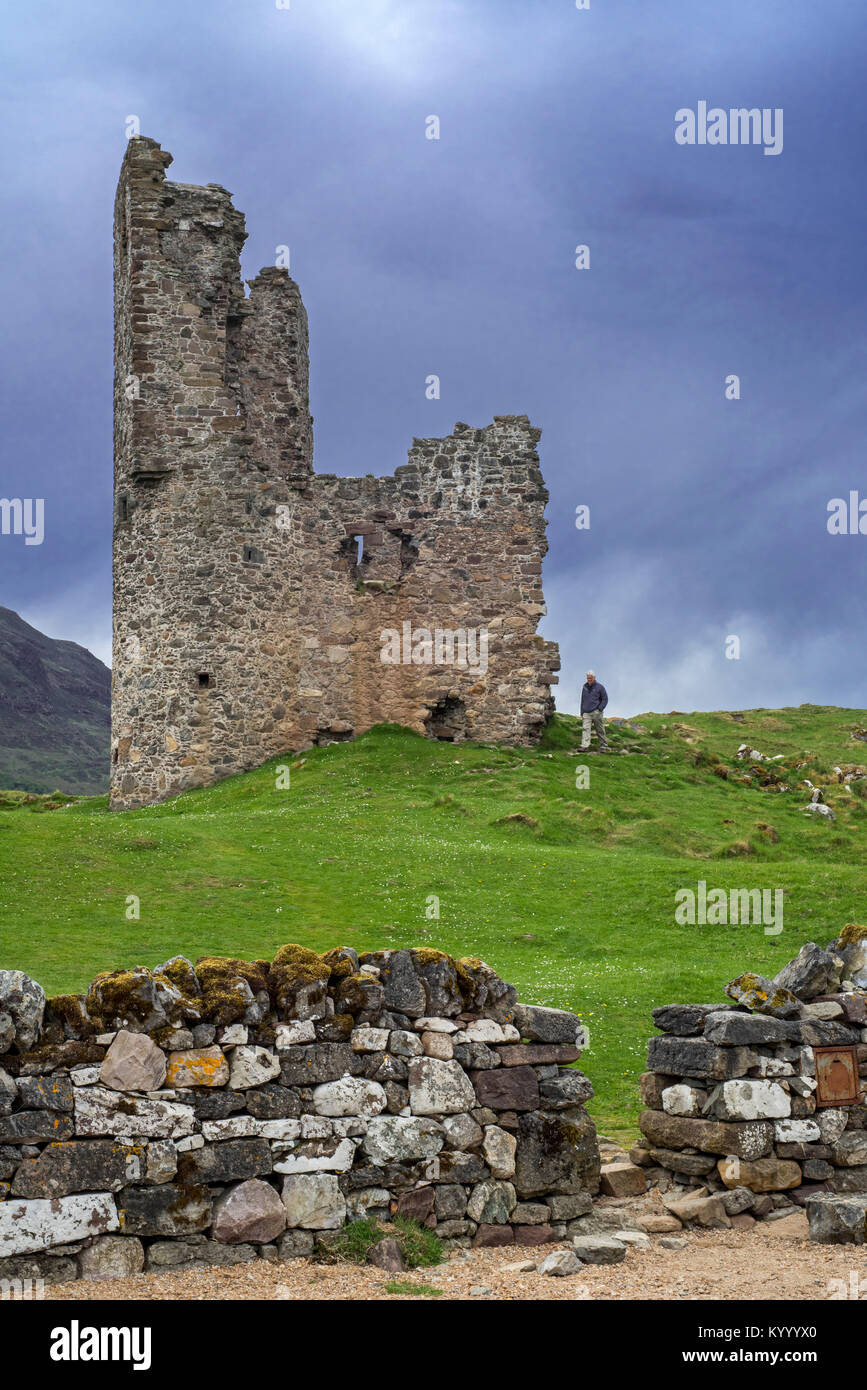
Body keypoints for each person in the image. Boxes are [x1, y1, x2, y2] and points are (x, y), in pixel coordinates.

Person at [580, 670, 609, 751]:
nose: (589, 680)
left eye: (590, 678)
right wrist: (581, 712)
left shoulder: (600, 687)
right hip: (586, 712)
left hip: (596, 712)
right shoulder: (584, 686)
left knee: (599, 729)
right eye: (588, 678)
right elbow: (582, 699)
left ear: (594, 678)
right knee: (585, 729)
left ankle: (603, 746)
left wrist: (600, 709)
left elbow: (605, 699)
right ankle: (585, 746)